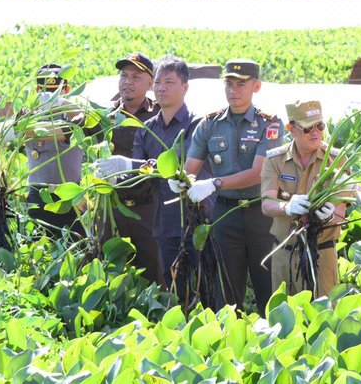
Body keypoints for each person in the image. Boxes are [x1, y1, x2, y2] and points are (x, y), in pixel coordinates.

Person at [171, 59, 283, 315]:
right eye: (229, 84)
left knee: (268, 286)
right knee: (227, 291)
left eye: (241, 84)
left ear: (256, 86)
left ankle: (274, 341)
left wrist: (215, 182)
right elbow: (191, 168)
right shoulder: (210, 123)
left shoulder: (270, 124)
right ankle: (229, 344)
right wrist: (180, 181)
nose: (234, 90)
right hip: (224, 215)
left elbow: (259, 173)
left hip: (260, 214)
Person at [101, 55, 207, 290]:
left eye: (169, 82)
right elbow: (139, 178)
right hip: (162, 222)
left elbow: (178, 168)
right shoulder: (146, 129)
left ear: (185, 87)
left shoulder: (196, 124)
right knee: (168, 289)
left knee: (200, 288)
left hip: (192, 221)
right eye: (158, 82)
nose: (161, 88)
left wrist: (131, 165)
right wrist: (111, 175)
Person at [260, 100, 345, 297]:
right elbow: (267, 204)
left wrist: (329, 216)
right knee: (285, 317)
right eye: (307, 129)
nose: (315, 132)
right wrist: (287, 207)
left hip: (322, 254)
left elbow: (341, 211)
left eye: (320, 126)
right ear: (291, 129)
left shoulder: (336, 160)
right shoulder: (275, 160)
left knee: (324, 317)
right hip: (285, 252)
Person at [92, 52, 163, 284]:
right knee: (110, 276)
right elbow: (69, 131)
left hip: (148, 210)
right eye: (124, 75)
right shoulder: (104, 115)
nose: (128, 82)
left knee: (154, 275)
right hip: (110, 209)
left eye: (136, 77)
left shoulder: (159, 114)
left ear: (150, 84)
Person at [24, 64, 85, 239]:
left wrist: (62, 103)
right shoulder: (28, 116)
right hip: (37, 196)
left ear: (67, 89)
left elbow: (85, 122)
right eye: (44, 92)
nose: (49, 96)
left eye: (57, 91)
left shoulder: (75, 115)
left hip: (69, 197)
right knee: (39, 249)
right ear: (37, 90)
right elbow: (1, 132)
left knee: (73, 250)